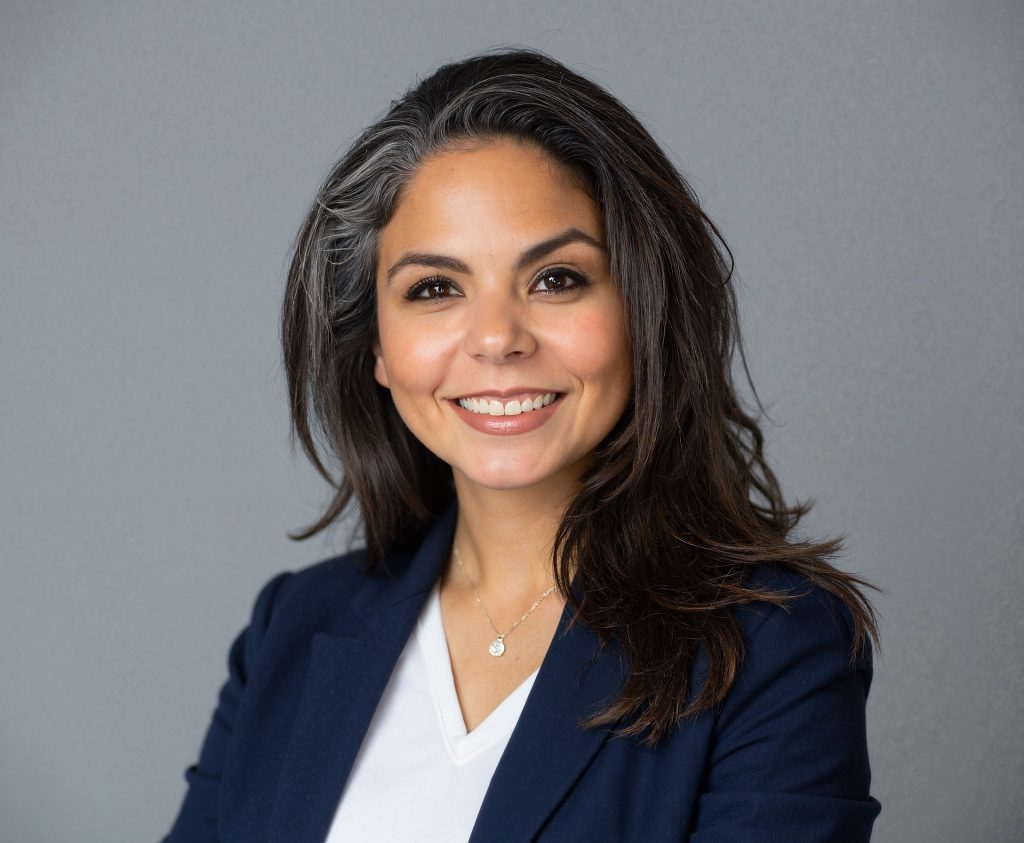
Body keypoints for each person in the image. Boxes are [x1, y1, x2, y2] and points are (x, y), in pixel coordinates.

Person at [163, 47, 881, 842]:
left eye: (556, 279)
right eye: (435, 289)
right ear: (376, 346)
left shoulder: (774, 649)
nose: (497, 338)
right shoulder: (291, 629)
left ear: (644, 307)